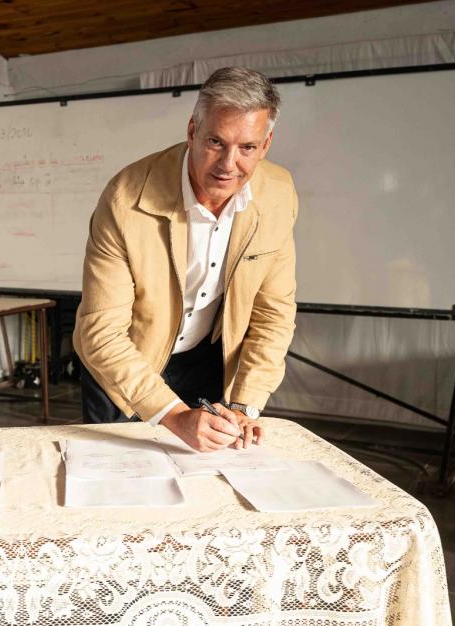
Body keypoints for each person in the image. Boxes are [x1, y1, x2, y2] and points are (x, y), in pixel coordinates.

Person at [73, 67, 297, 452]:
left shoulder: (278, 194)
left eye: (247, 148)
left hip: (206, 360)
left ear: (266, 144)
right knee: (115, 473)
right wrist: (173, 415)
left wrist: (244, 404)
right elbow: (102, 331)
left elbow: (273, 313)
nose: (228, 164)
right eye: (216, 142)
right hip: (124, 362)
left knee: (201, 472)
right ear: (193, 131)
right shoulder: (125, 198)